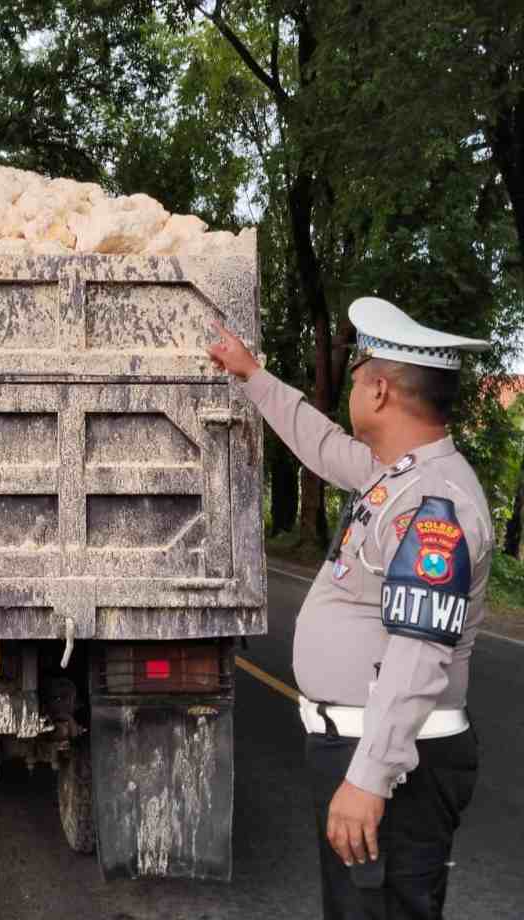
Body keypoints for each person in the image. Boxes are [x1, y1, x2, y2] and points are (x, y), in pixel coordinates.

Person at [207, 297, 492, 919]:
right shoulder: (395, 475)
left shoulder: (434, 504)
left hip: (394, 763)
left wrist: (369, 779)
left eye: (358, 379)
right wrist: (252, 376)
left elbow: (419, 656)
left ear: (382, 392)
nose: (352, 392)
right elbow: (322, 443)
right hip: (370, 751)